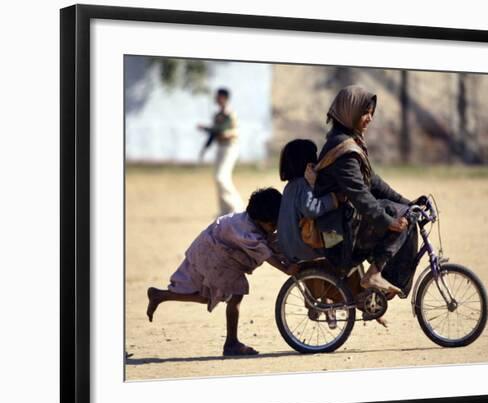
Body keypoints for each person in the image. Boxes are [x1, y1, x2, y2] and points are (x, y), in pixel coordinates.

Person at [146, 188, 298, 356]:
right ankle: (231, 343)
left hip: (215, 247)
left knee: (207, 297)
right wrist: (285, 269)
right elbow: (265, 252)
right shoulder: (246, 232)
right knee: (235, 294)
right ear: (260, 219)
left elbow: (273, 244)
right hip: (214, 251)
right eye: (273, 225)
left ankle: (159, 295)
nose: (275, 228)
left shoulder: (255, 224)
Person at [314, 85, 418, 299]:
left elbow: (372, 182)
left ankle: (382, 281)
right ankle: (374, 274)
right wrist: (388, 220)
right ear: (349, 113)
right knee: (394, 215)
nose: (370, 118)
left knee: (404, 212)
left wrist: (408, 202)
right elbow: (360, 194)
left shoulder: (349, 143)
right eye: (364, 112)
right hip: (336, 236)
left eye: (371, 112)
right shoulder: (342, 151)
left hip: (345, 223)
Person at [277, 139, 339, 263]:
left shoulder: (290, 186)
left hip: (289, 248)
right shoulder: (302, 184)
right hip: (304, 248)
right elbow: (312, 209)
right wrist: (334, 199)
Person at [197, 87, 244, 215]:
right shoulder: (218, 116)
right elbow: (214, 131)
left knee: (221, 177)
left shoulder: (230, 114)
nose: (216, 99)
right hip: (220, 148)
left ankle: (236, 207)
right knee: (219, 178)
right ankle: (225, 210)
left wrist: (225, 134)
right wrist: (206, 130)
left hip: (230, 147)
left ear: (224, 98)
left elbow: (235, 131)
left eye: (218, 96)